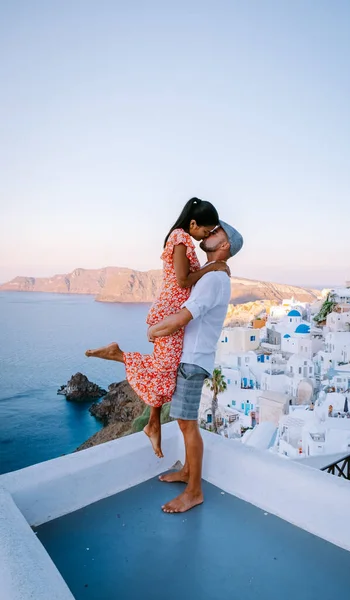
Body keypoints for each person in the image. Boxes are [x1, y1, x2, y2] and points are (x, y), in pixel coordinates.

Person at [85, 198, 229, 458]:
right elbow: (183, 279)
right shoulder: (181, 239)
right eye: (205, 231)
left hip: (171, 313)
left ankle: (153, 425)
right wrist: (212, 268)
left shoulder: (181, 239)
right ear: (193, 223)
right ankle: (118, 355)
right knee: (164, 374)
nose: (204, 236)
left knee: (165, 371)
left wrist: (209, 268)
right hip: (170, 315)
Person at [150, 221, 243, 513]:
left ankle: (194, 492)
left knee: (188, 425)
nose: (210, 234)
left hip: (193, 360)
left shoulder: (215, 280)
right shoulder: (212, 275)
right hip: (191, 357)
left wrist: (154, 330)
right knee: (182, 421)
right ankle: (188, 472)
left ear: (225, 245)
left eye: (217, 233)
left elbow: (184, 317)